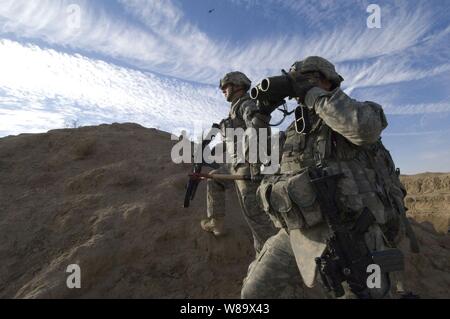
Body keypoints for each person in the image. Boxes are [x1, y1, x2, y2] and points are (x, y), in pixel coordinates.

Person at [242, 56, 417, 299]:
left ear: (328, 81)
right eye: (296, 82)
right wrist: (260, 115)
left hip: (355, 236)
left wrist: (312, 94)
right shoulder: (294, 132)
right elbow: (254, 157)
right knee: (254, 294)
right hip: (300, 232)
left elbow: (363, 129)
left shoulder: (360, 112)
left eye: (307, 78)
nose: (297, 87)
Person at [200, 71, 278, 254]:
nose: (222, 91)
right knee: (214, 178)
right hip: (236, 164)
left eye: (225, 87)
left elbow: (258, 128)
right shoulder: (235, 109)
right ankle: (216, 223)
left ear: (237, 86)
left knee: (256, 218)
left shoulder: (246, 104)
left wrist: (255, 164)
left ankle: (268, 257)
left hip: (249, 166)